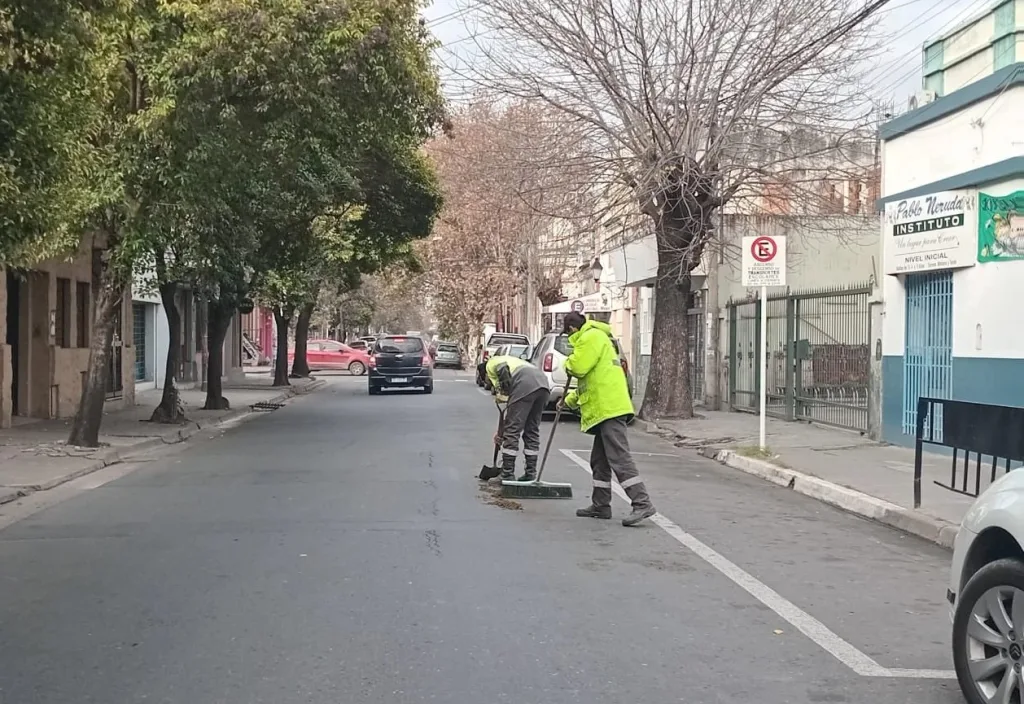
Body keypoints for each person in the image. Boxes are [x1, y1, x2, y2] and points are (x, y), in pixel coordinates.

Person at [559, 311, 656, 527]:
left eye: (568, 335)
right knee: (599, 460)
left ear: (572, 329)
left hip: (608, 407)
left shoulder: (589, 337)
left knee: (619, 457)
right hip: (606, 405)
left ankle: (642, 502)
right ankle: (601, 505)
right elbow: (591, 381)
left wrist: (568, 363)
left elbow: (578, 368)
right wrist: (568, 401)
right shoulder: (597, 338)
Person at [486, 354, 551, 483]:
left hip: (524, 383)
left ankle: (507, 473)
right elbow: (509, 402)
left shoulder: (491, 363)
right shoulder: (515, 361)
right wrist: (501, 431)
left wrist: (503, 432)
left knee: (512, 431)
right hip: (543, 384)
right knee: (532, 430)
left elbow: (502, 373)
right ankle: (530, 473)